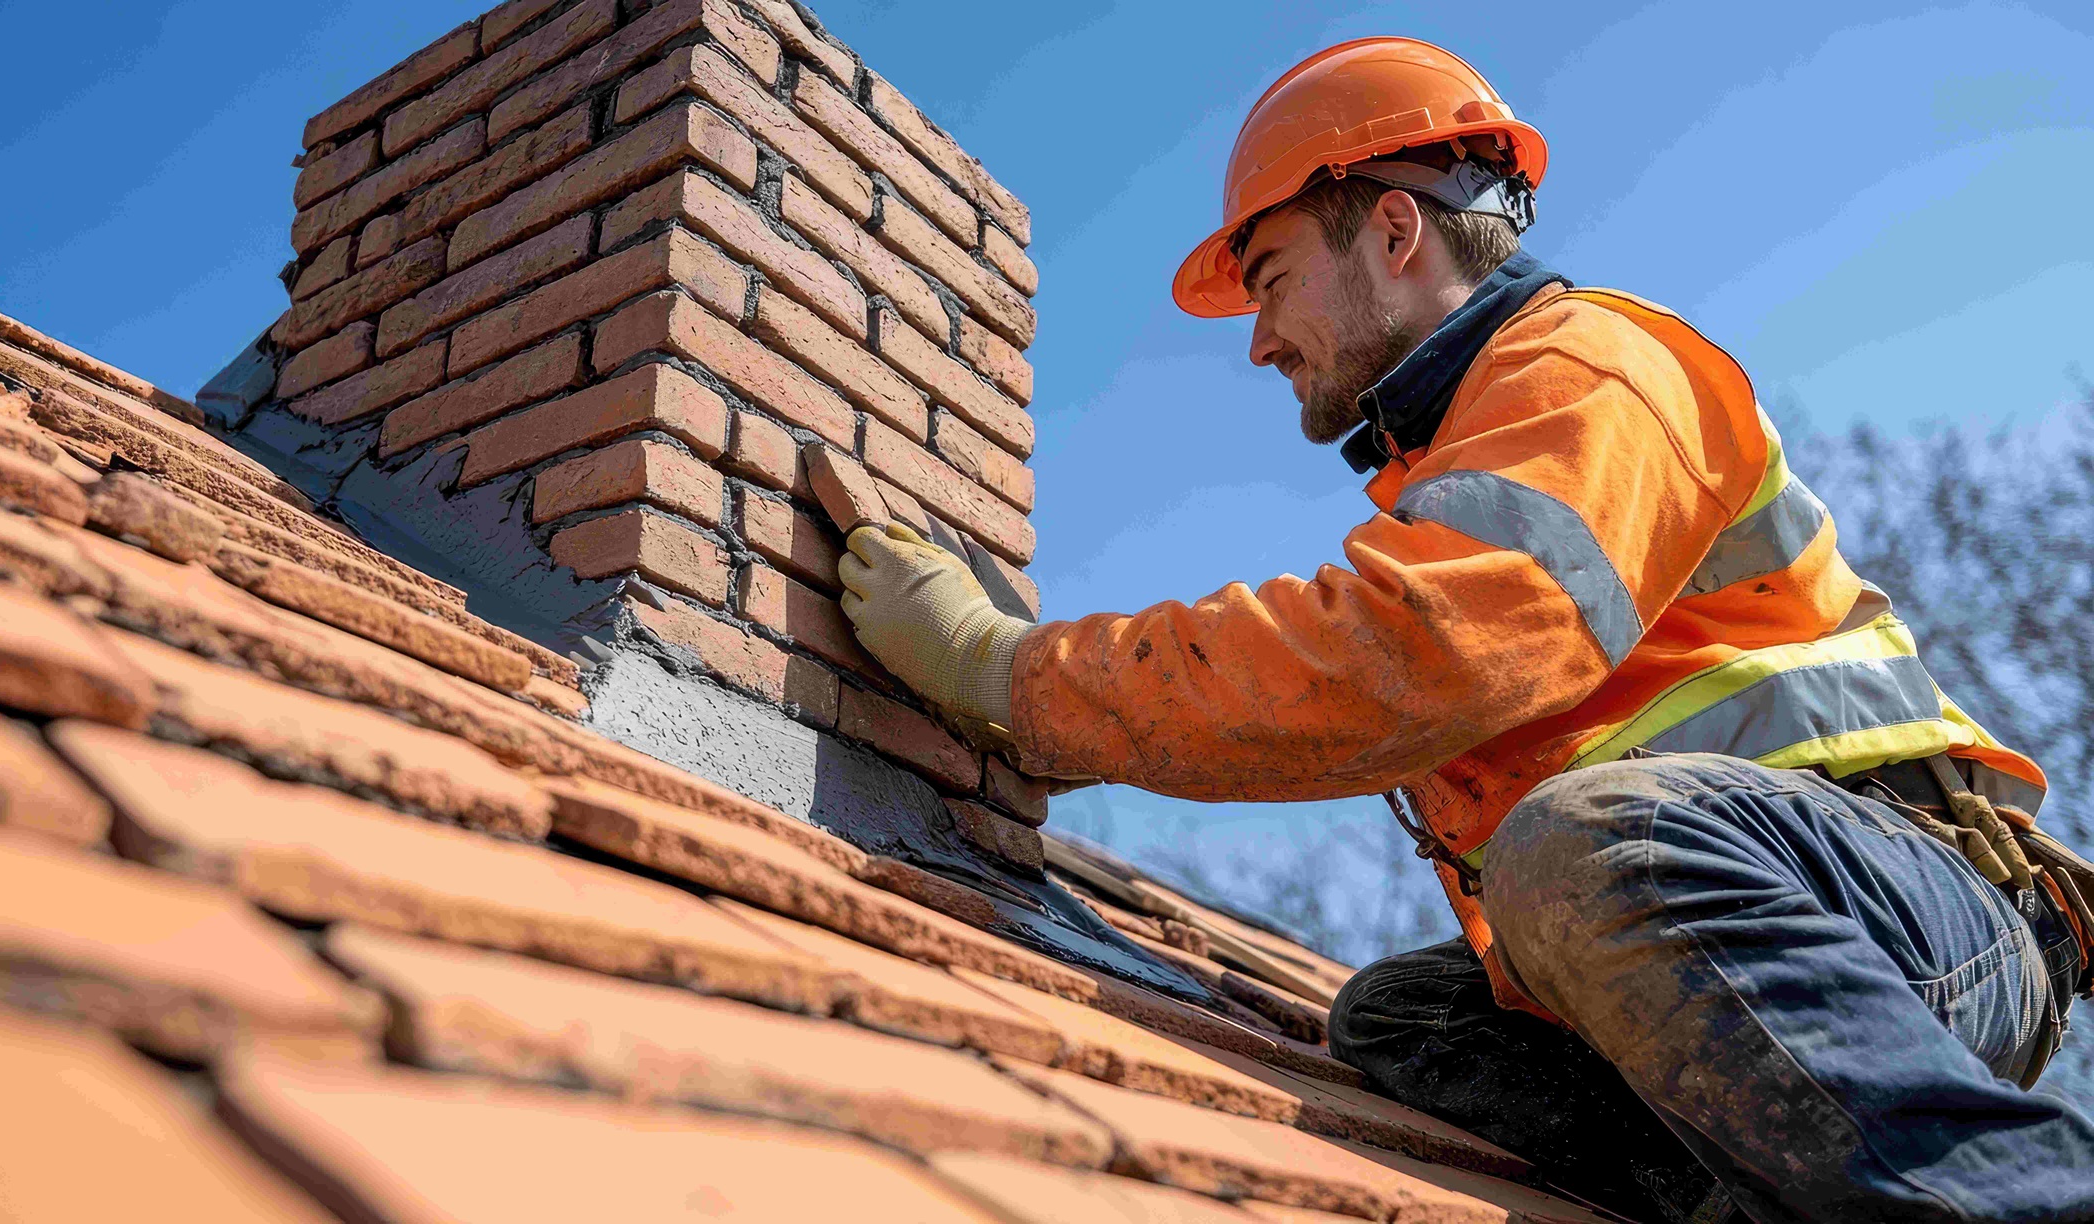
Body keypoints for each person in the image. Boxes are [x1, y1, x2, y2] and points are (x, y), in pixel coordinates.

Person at [835, 37, 2094, 1223]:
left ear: (1392, 228)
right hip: (1791, 917)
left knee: (1580, 846)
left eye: (1271, 281)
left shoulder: (1584, 371)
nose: (1262, 341)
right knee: (1401, 1021)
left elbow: (1411, 653)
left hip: (1920, 920)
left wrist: (1012, 675)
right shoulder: (1478, 433)